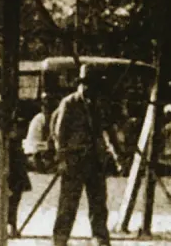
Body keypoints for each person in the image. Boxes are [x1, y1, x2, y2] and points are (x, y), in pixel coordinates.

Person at [51, 63, 112, 246]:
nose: (88, 88)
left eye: (91, 85)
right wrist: (61, 158)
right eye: (85, 84)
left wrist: (112, 153)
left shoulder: (97, 104)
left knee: (98, 203)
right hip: (74, 160)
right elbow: (59, 133)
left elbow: (105, 129)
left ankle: (100, 237)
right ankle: (60, 239)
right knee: (68, 204)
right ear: (80, 84)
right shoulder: (69, 103)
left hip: (95, 160)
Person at [0, 66, 32, 238]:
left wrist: (16, 132)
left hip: (13, 150)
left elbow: (21, 123)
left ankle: (11, 223)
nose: (0, 85)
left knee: (15, 189)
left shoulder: (11, 101)